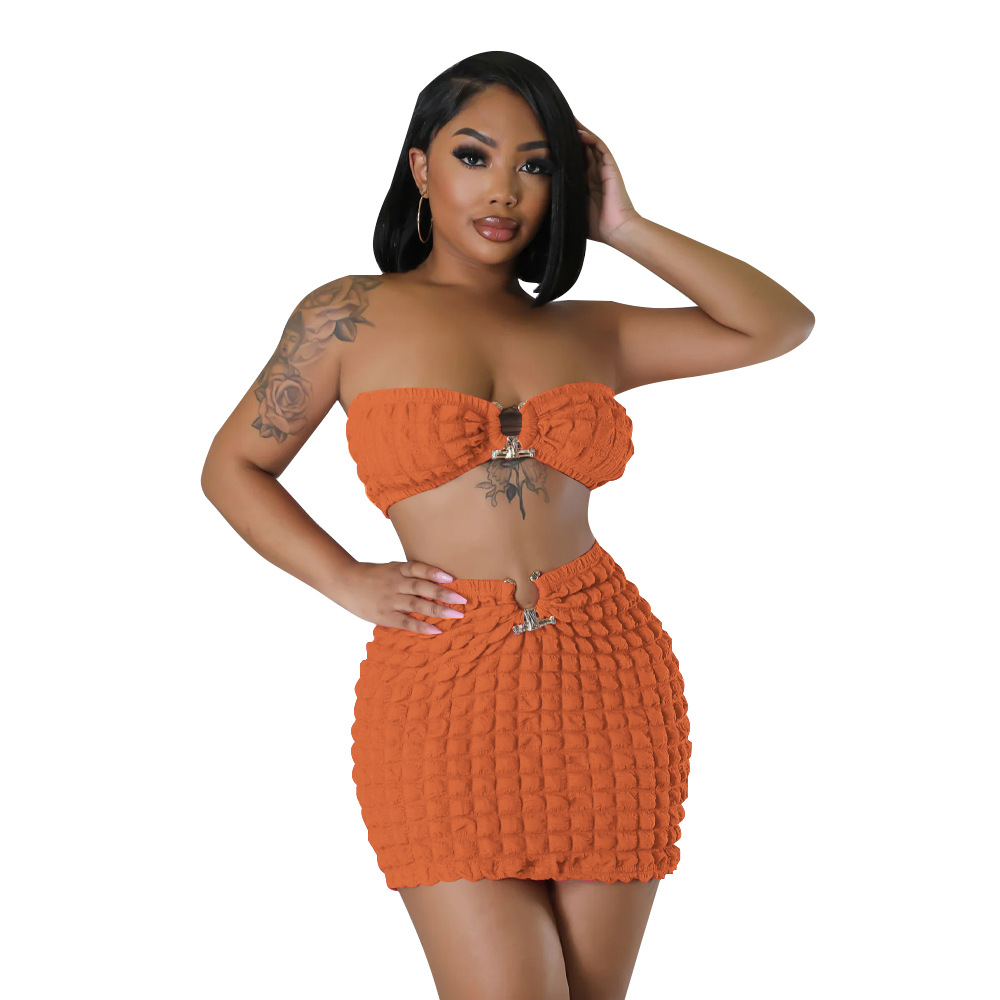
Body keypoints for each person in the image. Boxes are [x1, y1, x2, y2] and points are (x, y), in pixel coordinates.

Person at [201, 50, 814, 1000]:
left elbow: (776, 325)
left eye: (535, 165)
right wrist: (347, 578)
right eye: (473, 155)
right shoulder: (348, 316)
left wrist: (625, 225)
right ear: (420, 167)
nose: (504, 189)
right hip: (440, 686)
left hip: (608, 680)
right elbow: (234, 467)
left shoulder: (589, 330)